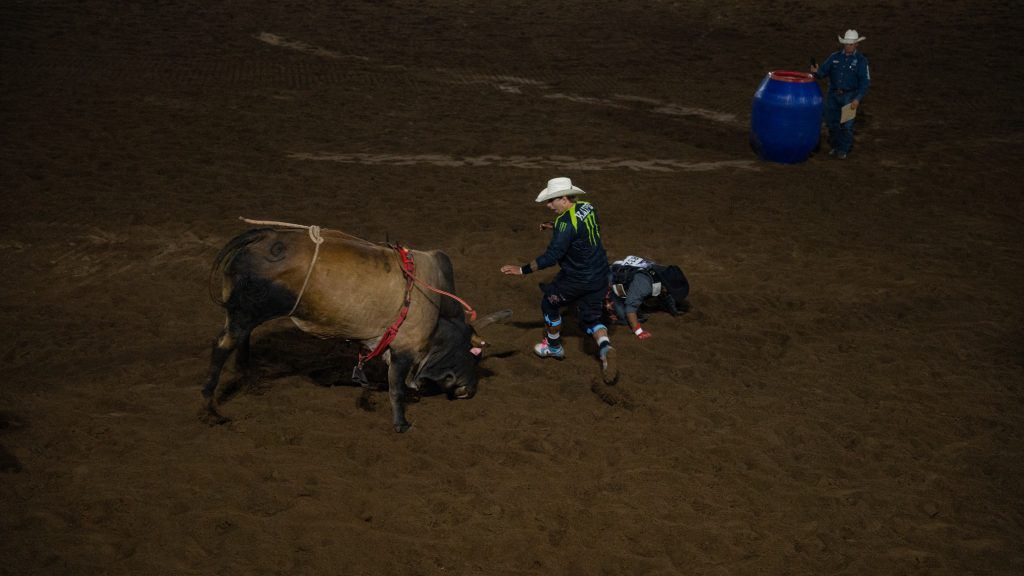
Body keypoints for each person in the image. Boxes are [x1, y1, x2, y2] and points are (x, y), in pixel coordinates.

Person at [500, 177, 617, 383]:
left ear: (564, 198)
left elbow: (551, 257)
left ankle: (554, 347)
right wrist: (554, 225)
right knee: (591, 319)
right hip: (600, 274)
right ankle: (605, 347)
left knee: (548, 303)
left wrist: (522, 270)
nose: (548, 205)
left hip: (577, 279)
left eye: (551, 200)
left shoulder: (565, 224)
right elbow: (577, 227)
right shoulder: (587, 206)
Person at [811, 29, 871, 160]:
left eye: (851, 44)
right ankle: (836, 146)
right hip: (833, 96)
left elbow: (865, 82)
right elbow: (822, 73)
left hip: (849, 97)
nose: (848, 46)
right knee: (832, 124)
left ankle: (843, 149)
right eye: (846, 44)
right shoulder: (834, 57)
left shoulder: (861, 61)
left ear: (856, 45)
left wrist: (857, 99)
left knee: (846, 126)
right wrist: (816, 72)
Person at [607, 256, 690, 340]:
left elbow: (664, 293)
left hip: (627, 273)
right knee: (626, 318)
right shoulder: (645, 284)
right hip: (610, 280)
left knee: (652, 292)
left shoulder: (662, 273)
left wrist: (673, 311)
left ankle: (632, 293)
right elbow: (630, 309)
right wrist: (639, 332)